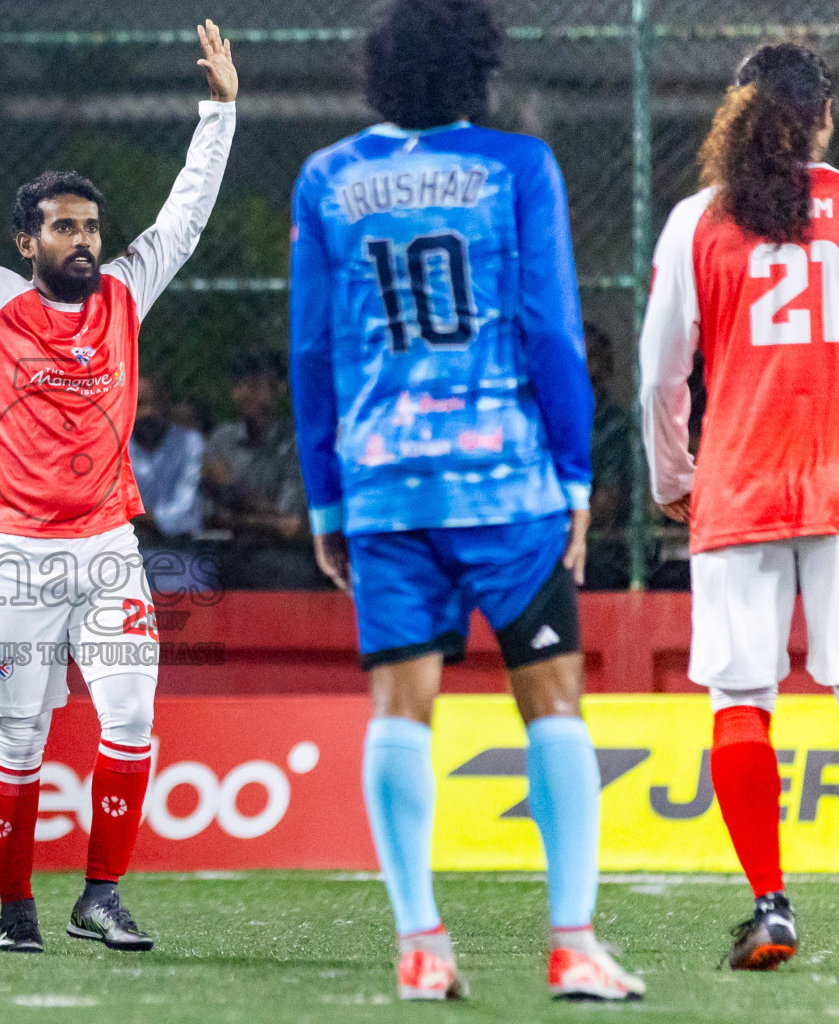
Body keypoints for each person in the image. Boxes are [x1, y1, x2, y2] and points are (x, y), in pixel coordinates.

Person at [290, 0, 642, 1001]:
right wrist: (574, 475)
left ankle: (421, 944)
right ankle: (572, 941)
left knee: (400, 710)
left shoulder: (328, 178)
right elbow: (551, 330)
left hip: (383, 486)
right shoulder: (517, 167)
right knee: (556, 704)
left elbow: (313, 352)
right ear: (478, 68)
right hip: (507, 482)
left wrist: (326, 503)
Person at [0, 20, 235, 953]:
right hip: (12, 557)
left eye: (92, 225)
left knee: (132, 717)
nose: (85, 239)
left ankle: (100, 893)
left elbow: (186, 214)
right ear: (26, 242)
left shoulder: (126, 296)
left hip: (108, 550)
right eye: (65, 226)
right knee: (18, 744)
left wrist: (219, 111)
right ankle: (16, 912)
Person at [640, 41, 839, 972]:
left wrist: (673, 475)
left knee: (740, 700)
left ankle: (770, 907)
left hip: (742, 485)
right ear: (824, 118)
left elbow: (659, 373)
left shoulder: (695, 221)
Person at [202, 350, 315, 589]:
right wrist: (267, 518)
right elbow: (210, 518)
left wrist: (235, 492)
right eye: (239, 385)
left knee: (294, 572)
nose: (246, 394)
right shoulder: (222, 439)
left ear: (279, 388)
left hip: (282, 555)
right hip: (226, 551)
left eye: (255, 385)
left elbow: (292, 526)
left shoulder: (296, 442)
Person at [128, 374, 209, 596]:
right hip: (124, 555)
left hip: (179, 553)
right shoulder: (116, 447)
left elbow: (184, 513)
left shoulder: (190, 444)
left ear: (167, 406)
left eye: (156, 404)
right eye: (142, 404)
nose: (150, 412)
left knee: (189, 592)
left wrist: (139, 519)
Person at [583, 323, 632, 589]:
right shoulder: (552, 418)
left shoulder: (612, 424)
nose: (588, 368)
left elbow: (607, 504)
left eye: (593, 359)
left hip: (604, 554)